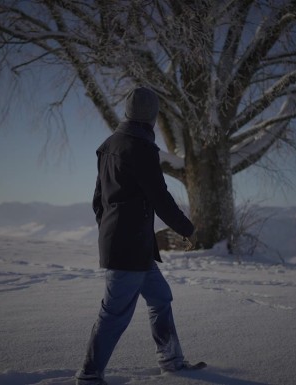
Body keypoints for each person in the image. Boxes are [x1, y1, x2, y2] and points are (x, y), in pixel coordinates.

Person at [76, 87, 205, 385]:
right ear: (152, 116)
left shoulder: (109, 145)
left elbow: (98, 201)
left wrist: (111, 230)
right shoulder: (140, 148)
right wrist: (187, 229)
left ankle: (171, 360)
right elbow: (160, 197)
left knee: (160, 297)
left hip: (131, 245)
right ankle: (89, 375)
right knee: (115, 313)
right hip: (129, 248)